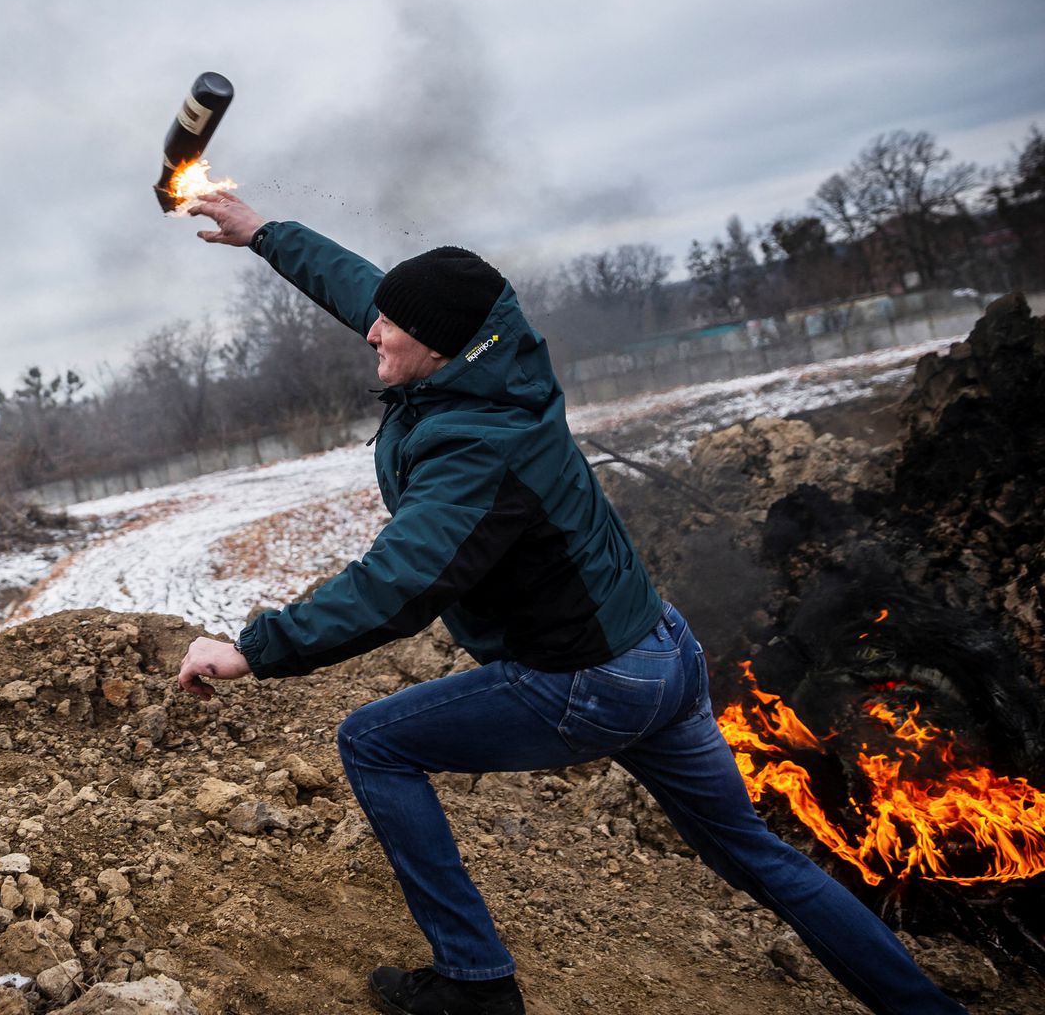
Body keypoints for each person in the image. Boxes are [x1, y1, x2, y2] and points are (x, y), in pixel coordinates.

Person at [172, 192, 963, 1015]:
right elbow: (372, 294)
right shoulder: (489, 352)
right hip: (660, 651)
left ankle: (475, 982)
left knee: (373, 742)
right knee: (761, 858)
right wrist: (264, 233)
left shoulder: (477, 447)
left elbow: (399, 582)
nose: (372, 332)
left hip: (590, 679)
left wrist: (253, 649)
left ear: (440, 346)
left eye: (391, 328)